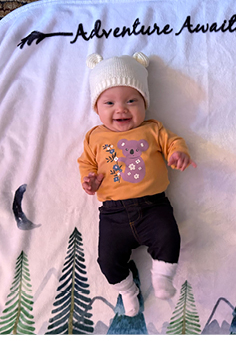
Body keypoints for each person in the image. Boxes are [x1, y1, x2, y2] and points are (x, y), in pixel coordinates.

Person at [78, 52, 197, 316]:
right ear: (97, 108)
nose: (121, 109)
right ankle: (127, 290)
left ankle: (162, 277)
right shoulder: (94, 137)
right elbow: (86, 164)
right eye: (109, 103)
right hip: (113, 215)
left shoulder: (153, 129)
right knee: (107, 261)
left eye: (131, 101)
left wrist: (178, 154)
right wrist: (89, 181)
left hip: (153, 207)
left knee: (169, 238)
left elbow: (173, 142)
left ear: (144, 103)